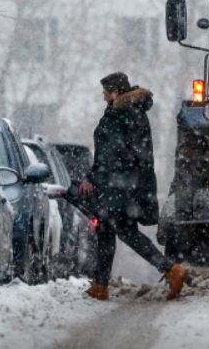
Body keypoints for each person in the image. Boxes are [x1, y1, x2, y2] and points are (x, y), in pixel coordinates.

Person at [77, 71, 185, 301]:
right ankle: (100, 285)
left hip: (121, 187)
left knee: (126, 232)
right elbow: (110, 154)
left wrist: (95, 178)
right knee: (105, 231)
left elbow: (112, 155)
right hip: (119, 185)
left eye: (106, 93)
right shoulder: (123, 112)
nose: (104, 97)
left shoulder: (125, 114)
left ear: (116, 92)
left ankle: (171, 269)